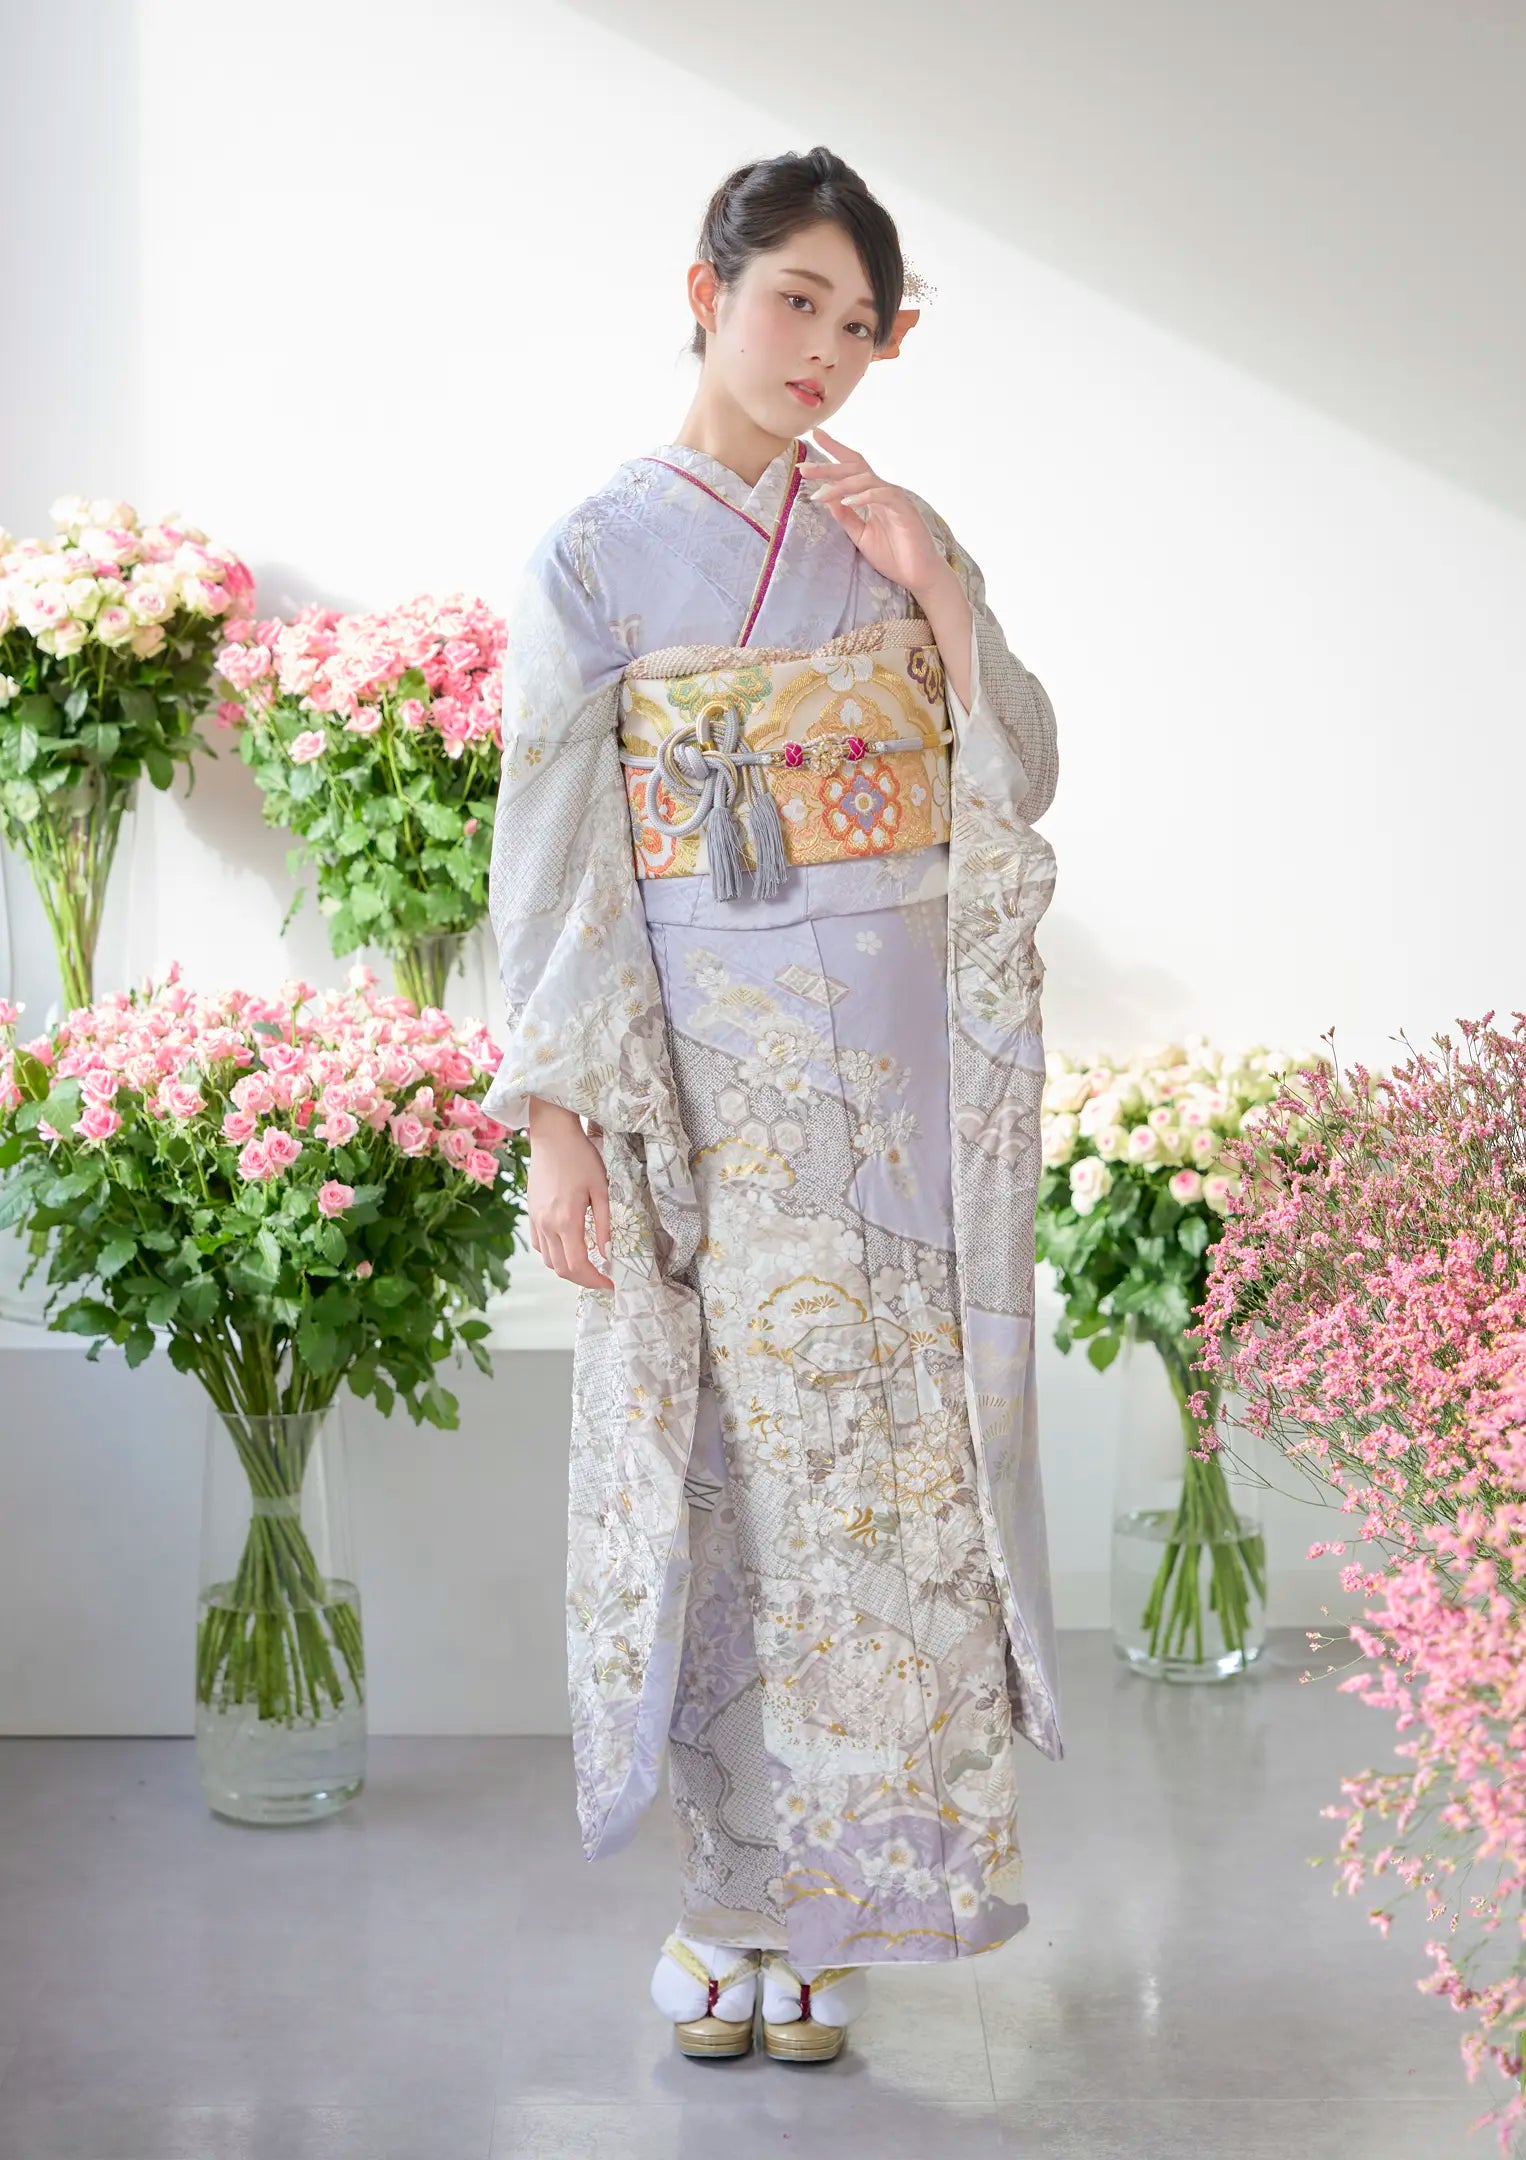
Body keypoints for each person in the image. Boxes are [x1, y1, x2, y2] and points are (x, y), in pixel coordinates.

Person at [483, 145, 1064, 2066]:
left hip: (889, 1090)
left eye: (857, 320)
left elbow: (1019, 769)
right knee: (722, 1481)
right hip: (706, 1086)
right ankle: (729, 1898)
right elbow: (547, 853)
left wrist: (934, 587)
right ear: (707, 292)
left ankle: (850, 1904)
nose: (820, 347)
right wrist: (561, 1121)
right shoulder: (592, 554)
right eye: (791, 300)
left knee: (885, 1490)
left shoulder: (888, 527)